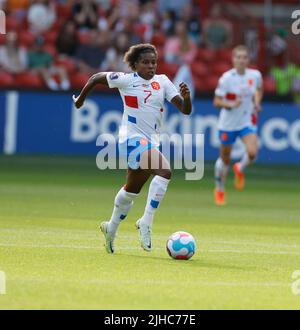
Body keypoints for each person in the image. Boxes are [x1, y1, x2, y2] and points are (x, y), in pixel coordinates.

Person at [73, 43, 192, 253]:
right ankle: (146, 222)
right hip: (131, 139)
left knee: (131, 191)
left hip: (151, 141)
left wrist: (187, 98)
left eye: (153, 62)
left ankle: (111, 227)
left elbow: (184, 109)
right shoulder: (126, 80)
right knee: (165, 171)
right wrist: (80, 100)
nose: (151, 66)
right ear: (135, 64)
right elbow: (95, 78)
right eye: (145, 62)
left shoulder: (163, 82)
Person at [213, 45, 263, 206]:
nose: (241, 60)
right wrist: (231, 104)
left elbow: (259, 89)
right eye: (238, 57)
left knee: (252, 152)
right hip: (228, 124)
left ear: (248, 60)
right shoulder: (226, 78)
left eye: (244, 57)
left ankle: (239, 168)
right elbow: (217, 101)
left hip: (246, 121)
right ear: (233, 59)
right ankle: (220, 187)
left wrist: (257, 102)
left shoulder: (255, 75)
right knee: (225, 158)